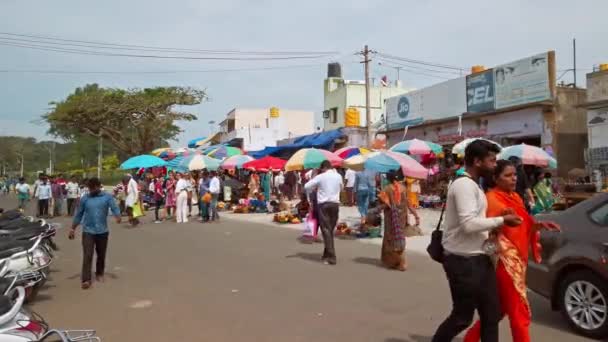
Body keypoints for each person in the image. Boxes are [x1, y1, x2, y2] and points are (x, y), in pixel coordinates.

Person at [432, 140, 523, 342]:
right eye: (491, 161)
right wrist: (502, 219)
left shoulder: (474, 185)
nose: (494, 165)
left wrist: (496, 225)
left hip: (480, 259)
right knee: (462, 317)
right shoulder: (464, 185)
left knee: (492, 314)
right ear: (477, 161)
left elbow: (476, 223)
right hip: (463, 262)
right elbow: (468, 224)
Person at [463, 160, 560, 342]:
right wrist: (503, 217)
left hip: (517, 259)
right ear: (495, 178)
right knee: (519, 311)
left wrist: (538, 224)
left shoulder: (514, 196)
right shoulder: (492, 199)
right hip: (505, 263)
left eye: (515, 174)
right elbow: (491, 226)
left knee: (499, 310)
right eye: (508, 175)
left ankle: (469, 339)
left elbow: (523, 222)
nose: (513, 178)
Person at [69, 178, 121, 289]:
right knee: (87, 255)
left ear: (98, 186)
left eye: (92, 188)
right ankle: (86, 279)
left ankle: (99, 273)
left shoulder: (107, 197)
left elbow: (114, 207)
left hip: (102, 231)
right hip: (88, 231)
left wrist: (118, 215)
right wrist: (73, 228)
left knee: (101, 254)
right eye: (89, 188)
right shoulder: (85, 199)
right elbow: (79, 214)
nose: (91, 190)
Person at [378, 171, 419, 271]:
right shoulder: (403, 188)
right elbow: (409, 204)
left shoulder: (386, 189)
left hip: (390, 218)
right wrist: (416, 215)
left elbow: (383, 204)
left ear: (388, 179)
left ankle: (398, 262)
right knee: (399, 238)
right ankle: (398, 261)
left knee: (390, 238)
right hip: (401, 218)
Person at [304, 161, 343, 265]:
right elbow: (341, 187)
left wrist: (317, 186)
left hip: (324, 204)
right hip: (335, 204)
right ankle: (326, 254)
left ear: (323, 168)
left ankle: (331, 256)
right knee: (330, 230)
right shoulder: (338, 176)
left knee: (326, 230)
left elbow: (307, 186)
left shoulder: (321, 177)